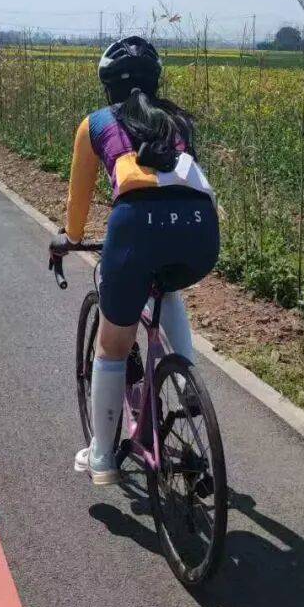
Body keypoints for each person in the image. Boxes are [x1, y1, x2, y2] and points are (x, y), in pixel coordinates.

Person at [50, 36, 219, 485]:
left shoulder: (96, 124)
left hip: (136, 229)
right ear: (155, 81)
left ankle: (103, 456)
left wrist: (69, 239)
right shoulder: (177, 120)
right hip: (201, 231)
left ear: (108, 87)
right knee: (168, 290)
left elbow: (78, 207)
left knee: (112, 347)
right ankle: (183, 379)